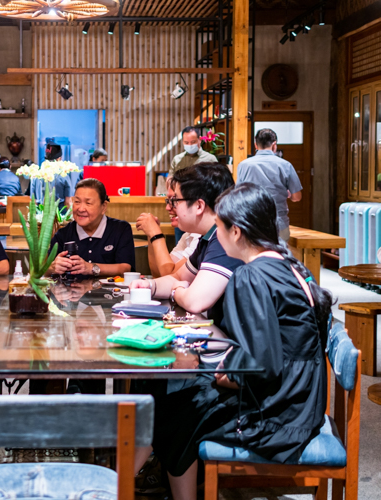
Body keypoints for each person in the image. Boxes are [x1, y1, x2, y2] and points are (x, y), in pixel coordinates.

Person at [139, 183, 331, 500]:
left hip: (279, 414)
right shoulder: (287, 263)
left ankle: (146, 484)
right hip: (302, 398)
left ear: (237, 231)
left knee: (176, 401)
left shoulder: (251, 275)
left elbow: (260, 365)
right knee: (178, 392)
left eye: (219, 226)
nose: (216, 233)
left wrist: (223, 374)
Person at [131, 163, 242, 327]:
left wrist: (176, 291)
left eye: (175, 200)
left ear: (199, 206)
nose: (171, 207)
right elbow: (178, 277)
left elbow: (195, 301)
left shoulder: (226, 239)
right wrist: (149, 286)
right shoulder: (208, 238)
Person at [48, 178, 135, 277]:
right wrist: (52, 268)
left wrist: (91, 268)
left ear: (103, 207)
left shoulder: (121, 229)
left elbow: (125, 268)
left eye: (88, 203)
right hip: (71, 292)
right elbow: (45, 270)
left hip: (110, 292)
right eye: (77, 202)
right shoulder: (63, 234)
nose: (80, 209)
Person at [236, 128, 303, 242]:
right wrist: (288, 194)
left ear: (255, 145)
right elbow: (297, 197)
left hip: (252, 220)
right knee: (278, 256)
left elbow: (238, 195)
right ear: (274, 145)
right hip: (278, 222)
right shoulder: (285, 165)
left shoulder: (243, 165)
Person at [137, 182, 200, 277]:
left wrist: (156, 234)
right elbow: (158, 274)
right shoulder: (189, 234)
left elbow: (169, 275)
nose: (167, 207)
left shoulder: (202, 237)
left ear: (198, 204)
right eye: (168, 200)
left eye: (174, 200)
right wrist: (151, 234)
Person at [169, 126, 217, 244]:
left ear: (200, 140)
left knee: (200, 244)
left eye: (193, 142)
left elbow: (215, 185)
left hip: (202, 210)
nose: (190, 145)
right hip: (182, 209)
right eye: (186, 142)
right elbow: (170, 182)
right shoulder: (177, 159)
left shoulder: (210, 159)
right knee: (180, 245)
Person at [28, 142, 73, 209]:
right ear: (59, 159)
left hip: (41, 215)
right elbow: (68, 202)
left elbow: (33, 202)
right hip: (59, 215)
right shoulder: (63, 175)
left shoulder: (36, 175)